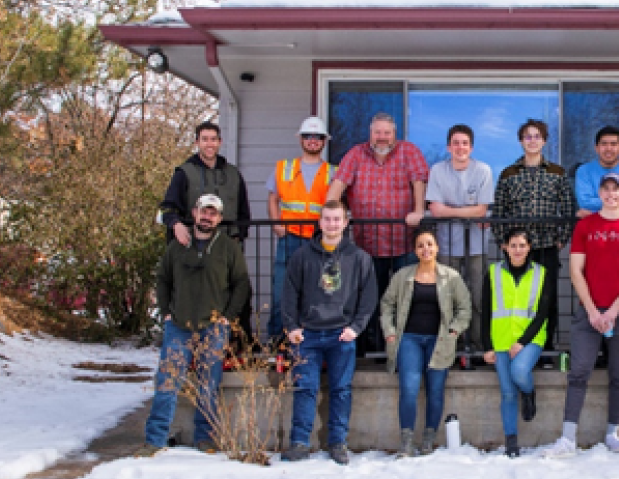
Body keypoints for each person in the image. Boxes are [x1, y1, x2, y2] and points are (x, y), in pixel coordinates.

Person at [542, 172, 619, 458]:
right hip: (588, 312)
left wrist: (613, 310)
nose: (611, 194)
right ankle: (567, 437)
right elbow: (576, 271)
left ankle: (613, 432)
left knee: (618, 375)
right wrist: (592, 311)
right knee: (579, 372)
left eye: (617, 189)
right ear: (599, 193)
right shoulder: (585, 227)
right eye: (606, 189)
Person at [137, 194, 250, 457]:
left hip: (213, 328)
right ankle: (155, 440)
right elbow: (163, 279)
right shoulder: (178, 245)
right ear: (195, 213)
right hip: (179, 326)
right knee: (167, 383)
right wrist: (165, 312)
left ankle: (206, 438)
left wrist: (228, 316)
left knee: (208, 386)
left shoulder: (228, 247)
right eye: (204, 212)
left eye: (213, 213)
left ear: (219, 218)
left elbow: (241, 283)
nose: (207, 217)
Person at [278, 201, 378, 466]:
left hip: (341, 335)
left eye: (337, 219)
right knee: (304, 388)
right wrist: (292, 327)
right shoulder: (302, 256)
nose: (332, 224)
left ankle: (338, 442)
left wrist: (355, 328)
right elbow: (289, 294)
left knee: (341, 389)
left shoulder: (359, 259)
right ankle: (300, 442)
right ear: (319, 222)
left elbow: (368, 299)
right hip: (307, 335)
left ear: (346, 223)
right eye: (327, 219)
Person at [327, 113, 429, 355]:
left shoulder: (409, 152)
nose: (382, 138)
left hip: (404, 242)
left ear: (394, 134)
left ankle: (406, 348)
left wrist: (417, 211)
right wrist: (331, 215)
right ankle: (372, 349)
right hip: (367, 244)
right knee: (370, 299)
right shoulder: (356, 154)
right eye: (377, 132)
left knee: (407, 297)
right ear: (370, 134)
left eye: (387, 133)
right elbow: (338, 185)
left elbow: (419, 182)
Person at [380, 228, 472, 457]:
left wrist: (454, 330)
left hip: (440, 341)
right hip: (409, 339)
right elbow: (387, 305)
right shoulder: (403, 276)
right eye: (420, 245)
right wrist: (390, 331)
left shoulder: (451, 277)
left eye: (430, 244)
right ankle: (406, 441)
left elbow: (465, 308)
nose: (426, 249)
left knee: (435, 390)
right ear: (414, 250)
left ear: (437, 248)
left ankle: (428, 440)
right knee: (409, 389)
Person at [493, 119, 574, 353]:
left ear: (544, 141)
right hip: (518, 248)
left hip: (547, 244)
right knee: (517, 298)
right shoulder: (508, 174)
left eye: (537, 136)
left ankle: (545, 348)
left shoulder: (557, 173)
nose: (532, 140)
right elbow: (498, 211)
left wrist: (562, 238)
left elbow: (567, 208)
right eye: (527, 136)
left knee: (547, 298)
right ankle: (517, 344)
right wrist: (502, 241)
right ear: (521, 141)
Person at [480, 230, 553, 458]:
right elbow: (485, 312)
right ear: (505, 248)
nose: (518, 250)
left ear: (529, 247)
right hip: (500, 339)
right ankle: (511, 441)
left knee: (519, 371)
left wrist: (522, 342)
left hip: (531, 338)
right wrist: (487, 346)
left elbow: (542, 313)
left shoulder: (542, 273)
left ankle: (529, 393)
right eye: (513, 245)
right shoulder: (493, 273)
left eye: (522, 245)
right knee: (508, 393)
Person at [425, 124, 494, 358]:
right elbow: (434, 210)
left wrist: (450, 210)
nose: (460, 147)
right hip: (446, 245)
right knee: (447, 297)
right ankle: (450, 348)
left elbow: (483, 210)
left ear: (471, 147)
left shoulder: (483, 170)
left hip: (477, 246)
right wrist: (469, 211)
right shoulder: (437, 170)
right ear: (448, 146)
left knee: (478, 296)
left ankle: (477, 346)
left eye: (465, 143)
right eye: (455, 143)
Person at [265, 116, 335, 343]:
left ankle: (311, 343)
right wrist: (276, 224)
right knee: (281, 293)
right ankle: (277, 342)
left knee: (319, 293)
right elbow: (273, 198)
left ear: (324, 141)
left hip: (318, 239)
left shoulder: (333, 172)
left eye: (318, 137)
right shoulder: (284, 167)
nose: (313, 141)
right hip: (290, 238)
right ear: (301, 139)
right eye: (308, 136)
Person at [159, 122, 251, 244]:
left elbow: (244, 212)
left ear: (220, 142)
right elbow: (167, 209)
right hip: (193, 245)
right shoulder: (184, 173)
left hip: (227, 246)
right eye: (205, 139)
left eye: (213, 139)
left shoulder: (233, 174)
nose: (209, 144)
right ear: (197, 142)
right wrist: (176, 225)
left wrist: (239, 235)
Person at [574, 126, 619, 218]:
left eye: (613, 144)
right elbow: (585, 203)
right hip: (592, 227)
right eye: (604, 144)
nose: (608, 148)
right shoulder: (584, 171)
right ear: (596, 148)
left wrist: (596, 206)